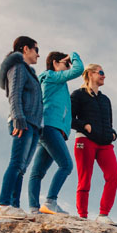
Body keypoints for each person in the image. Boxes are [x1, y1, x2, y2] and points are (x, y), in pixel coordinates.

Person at [28, 51, 84, 215]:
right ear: (55, 63)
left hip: (48, 128)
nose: (68, 67)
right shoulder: (52, 76)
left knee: (37, 172)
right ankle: (50, 201)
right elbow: (78, 70)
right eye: (65, 64)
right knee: (66, 165)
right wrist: (73, 55)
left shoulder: (52, 81)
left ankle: (33, 209)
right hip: (51, 127)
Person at [0, 36, 44, 219]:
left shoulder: (29, 71)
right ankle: (4, 204)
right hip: (22, 122)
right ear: (26, 49)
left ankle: (14, 206)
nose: (38, 55)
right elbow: (14, 95)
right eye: (36, 50)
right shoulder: (18, 67)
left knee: (22, 168)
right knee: (16, 164)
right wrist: (18, 119)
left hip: (32, 124)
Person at [69, 63, 117, 225]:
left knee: (113, 177)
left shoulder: (106, 100)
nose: (104, 76)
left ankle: (103, 215)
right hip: (85, 140)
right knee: (85, 179)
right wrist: (84, 125)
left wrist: (113, 134)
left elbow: (109, 122)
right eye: (101, 72)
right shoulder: (78, 95)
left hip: (104, 143)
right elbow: (68, 118)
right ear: (90, 74)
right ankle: (82, 216)